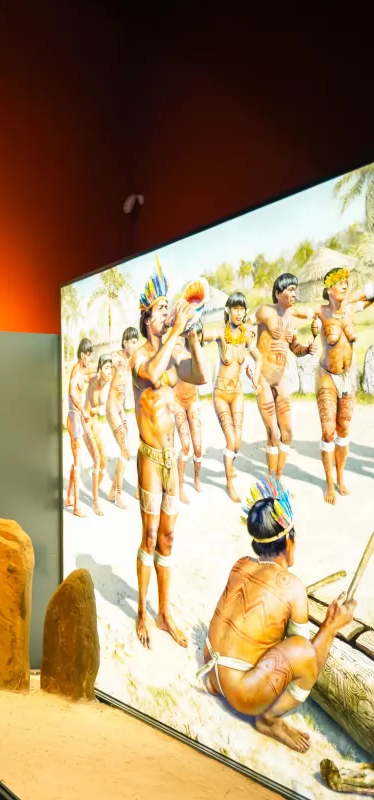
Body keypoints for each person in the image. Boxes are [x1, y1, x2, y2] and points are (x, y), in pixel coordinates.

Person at [197, 476, 356, 752]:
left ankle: (226, 687)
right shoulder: (292, 587)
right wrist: (331, 625)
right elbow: (308, 659)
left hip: (211, 670)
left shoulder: (241, 564)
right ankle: (268, 719)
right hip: (240, 694)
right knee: (300, 649)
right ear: (289, 542)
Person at [130, 259, 208, 649]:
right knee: (147, 535)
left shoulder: (174, 353)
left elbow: (201, 375)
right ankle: (142, 612)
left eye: (168, 307)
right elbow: (151, 371)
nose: (168, 311)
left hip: (171, 460)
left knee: (168, 537)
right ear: (148, 319)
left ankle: (164, 612)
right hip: (149, 458)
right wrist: (176, 330)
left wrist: (191, 335)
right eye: (161, 309)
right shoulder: (137, 355)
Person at [308, 268, 374, 504]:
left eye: (346, 283)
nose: (345, 286)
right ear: (328, 289)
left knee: (344, 429)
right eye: (339, 284)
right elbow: (298, 313)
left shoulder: (351, 308)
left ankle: (340, 476)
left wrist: (352, 297)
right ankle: (328, 483)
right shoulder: (321, 310)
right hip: (327, 375)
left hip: (347, 375)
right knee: (328, 430)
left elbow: (371, 293)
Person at [200, 293, 265, 502]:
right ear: (228, 310)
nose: (239, 312)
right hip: (220, 394)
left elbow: (259, 358)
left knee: (237, 443)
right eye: (234, 308)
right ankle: (229, 483)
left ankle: (230, 464)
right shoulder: (221, 332)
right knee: (230, 440)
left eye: (242, 308)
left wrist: (255, 380)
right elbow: (201, 336)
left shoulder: (247, 335)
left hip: (237, 393)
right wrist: (193, 330)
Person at [253, 273, 317, 480]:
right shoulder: (265, 311)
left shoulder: (291, 317)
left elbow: (295, 348)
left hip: (279, 380)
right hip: (263, 378)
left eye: (295, 288)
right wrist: (251, 353)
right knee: (274, 434)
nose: (294, 292)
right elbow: (243, 328)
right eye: (290, 289)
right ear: (278, 292)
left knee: (287, 433)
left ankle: (277, 478)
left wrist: (307, 349)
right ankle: (273, 482)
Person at [106, 328, 140, 508]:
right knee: (126, 450)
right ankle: (118, 495)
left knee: (126, 450)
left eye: (136, 342)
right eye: (131, 342)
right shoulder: (117, 357)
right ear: (125, 341)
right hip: (112, 406)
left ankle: (113, 491)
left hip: (121, 408)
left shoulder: (131, 360)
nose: (134, 345)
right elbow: (100, 368)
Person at [170, 336, 204, 502]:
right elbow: (177, 356)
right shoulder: (176, 345)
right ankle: (181, 486)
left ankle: (196, 478)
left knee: (197, 447)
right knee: (185, 445)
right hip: (177, 401)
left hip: (192, 400)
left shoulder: (195, 348)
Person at [64, 338, 93, 517]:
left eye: (90, 355)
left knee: (76, 461)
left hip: (76, 417)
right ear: (82, 354)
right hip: (74, 417)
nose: (89, 358)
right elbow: (73, 393)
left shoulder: (83, 370)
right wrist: (83, 411)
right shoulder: (76, 370)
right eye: (87, 355)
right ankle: (76, 507)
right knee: (79, 463)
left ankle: (68, 498)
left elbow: (91, 373)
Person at [84, 354, 114, 516]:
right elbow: (83, 373)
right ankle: (95, 501)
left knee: (104, 460)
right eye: (107, 368)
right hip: (85, 422)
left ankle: (94, 488)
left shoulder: (106, 382)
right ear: (100, 369)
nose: (110, 371)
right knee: (96, 458)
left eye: (111, 368)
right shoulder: (94, 378)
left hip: (95, 422)